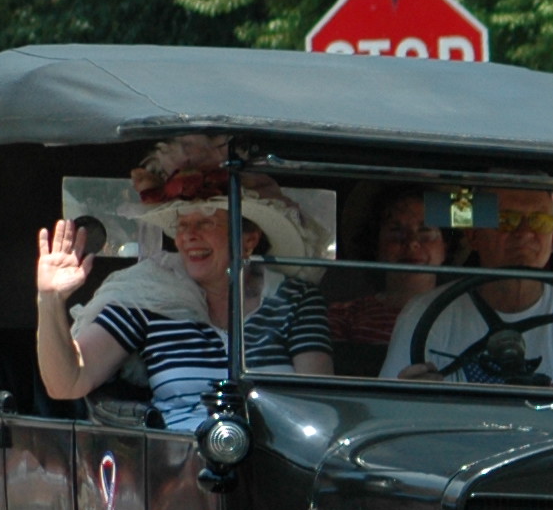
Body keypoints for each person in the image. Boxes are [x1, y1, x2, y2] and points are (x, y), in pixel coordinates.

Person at [35, 159, 331, 430]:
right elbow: (67, 383)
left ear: (248, 240)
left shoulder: (295, 299)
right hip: (177, 463)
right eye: (183, 225)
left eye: (205, 223)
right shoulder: (148, 294)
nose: (189, 236)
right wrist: (50, 299)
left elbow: (317, 408)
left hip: (275, 458)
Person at [388, 184, 553, 399]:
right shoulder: (422, 314)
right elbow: (388, 405)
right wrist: (413, 397)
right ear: (474, 234)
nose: (524, 232)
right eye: (507, 219)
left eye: (539, 221)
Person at [325, 187, 452, 363]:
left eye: (425, 232)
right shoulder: (344, 317)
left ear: (445, 247)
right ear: (375, 245)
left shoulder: (465, 317)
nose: (412, 243)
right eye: (396, 232)